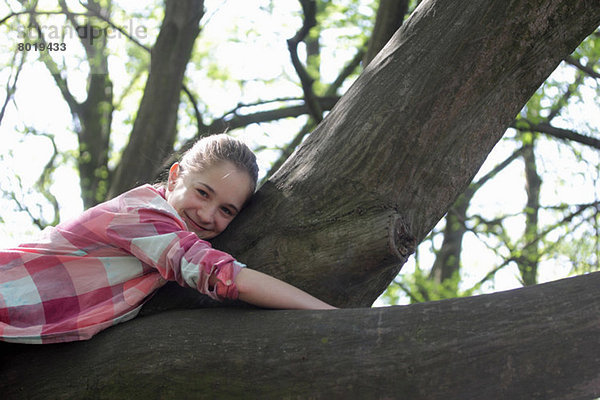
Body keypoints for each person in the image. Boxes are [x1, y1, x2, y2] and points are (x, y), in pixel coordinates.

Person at [0, 134, 335, 344]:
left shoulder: (166, 233)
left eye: (227, 210)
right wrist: (329, 316)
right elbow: (225, 276)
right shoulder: (141, 215)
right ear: (175, 178)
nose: (207, 215)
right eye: (203, 193)